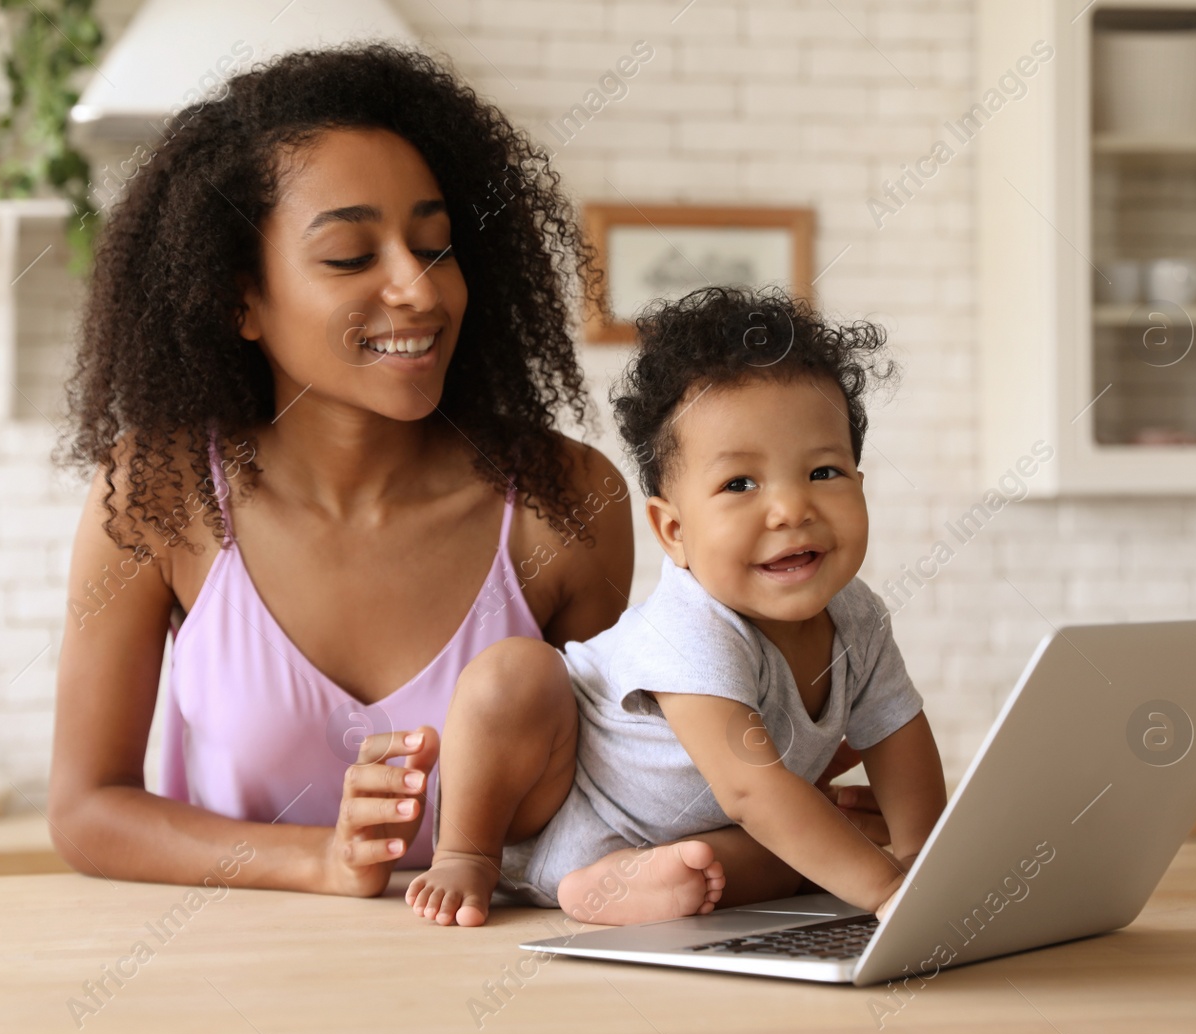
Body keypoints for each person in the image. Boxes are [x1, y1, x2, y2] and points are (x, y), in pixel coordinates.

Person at [49, 46, 882, 896]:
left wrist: (799, 820)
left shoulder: (565, 505)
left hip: (505, 977)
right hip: (237, 988)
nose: (419, 288)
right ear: (239, 300)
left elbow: (617, 801)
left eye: (436, 246)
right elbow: (88, 809)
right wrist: (319, 861)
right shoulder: (159, 494)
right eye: (349, 257)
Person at [407, 287, 947, 927]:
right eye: (739, 484)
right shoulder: (692, 627)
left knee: (811, 842)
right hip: (558, 798)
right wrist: (890, 893)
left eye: (823, 472)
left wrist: (923, 860)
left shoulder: (860, 619)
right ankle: (467, 851)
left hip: (688, 839)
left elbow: (899, 739)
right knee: (514, 672)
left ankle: (620, 886)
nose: (791, 509)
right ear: (673, 532)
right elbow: (749, 787)